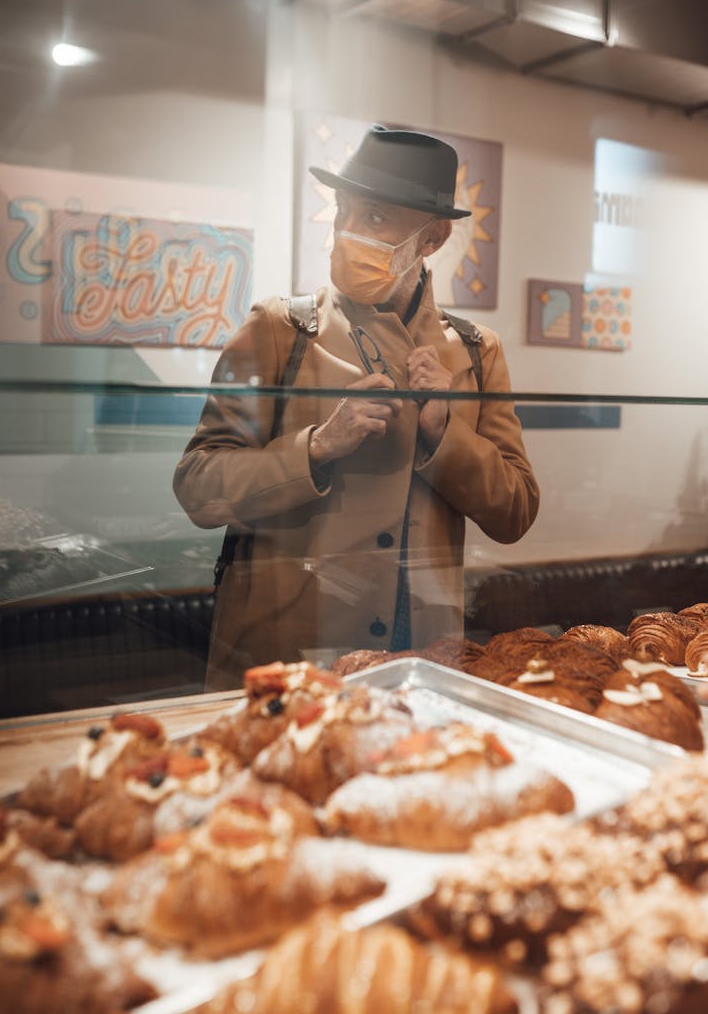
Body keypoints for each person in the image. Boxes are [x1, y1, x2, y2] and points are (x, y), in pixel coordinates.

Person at [173, 124, 539, 689]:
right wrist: (316, 449)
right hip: (293, 651)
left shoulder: (475, 351)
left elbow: (515, 511)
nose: (346, 232)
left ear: (432, 238)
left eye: (372, 218)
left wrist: (445, 434)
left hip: (423, 655)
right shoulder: (279, 328)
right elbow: (198, 484)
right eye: (344, 212)